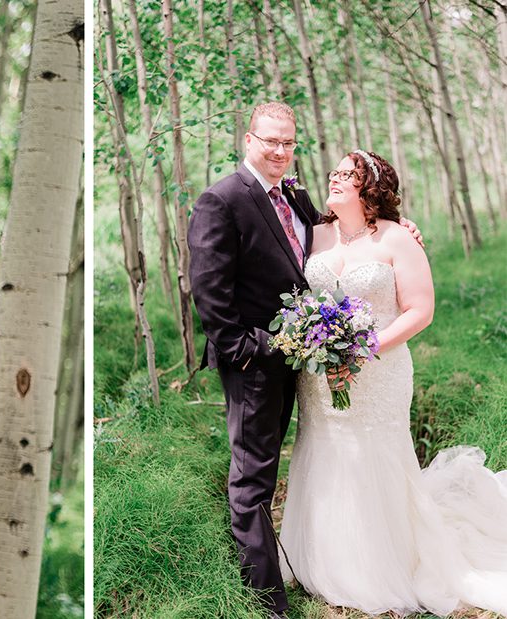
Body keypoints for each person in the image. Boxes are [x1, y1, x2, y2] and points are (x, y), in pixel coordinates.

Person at [279, 150, 507, 616]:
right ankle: (321, 556)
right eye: (335, 172)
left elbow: (420, 311)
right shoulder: (313, 233)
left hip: (379, 372)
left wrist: (364, 349)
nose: (335, 178)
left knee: (375, 454)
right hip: (320, 377)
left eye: (347, 174)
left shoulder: (399, 239)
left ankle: (382, 562)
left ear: (371, 188)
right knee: (322, 448)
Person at [188, 102, 324, 617]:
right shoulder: (221, 200)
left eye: (289, 142)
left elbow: (325, 243)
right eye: (271, 141)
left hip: (296, 357)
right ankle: (269, 602)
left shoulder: (293, 195)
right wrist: (248, 352)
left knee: (269, 464)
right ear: (248, 139)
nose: (281, 151)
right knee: (252, 477)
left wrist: (399, 230)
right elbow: (210, 292)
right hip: (253, 362)